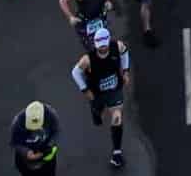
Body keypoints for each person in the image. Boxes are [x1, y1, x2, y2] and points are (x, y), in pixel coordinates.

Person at [72, 22, 132, 168]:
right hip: (97, 93)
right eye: (100, 46)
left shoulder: (117, 46)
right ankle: (96, 111)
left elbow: (124, 52)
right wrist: (86, 90)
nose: (103, 48)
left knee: (117, 117)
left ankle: (116, 153)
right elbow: (75, 72)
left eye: (105, 45)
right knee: (98, 115)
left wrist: (125, 71)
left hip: (114, 90)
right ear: (96, 45)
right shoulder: (88, 59)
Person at [10, 100, 61, 175]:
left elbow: (56, 132)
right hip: (25, 161)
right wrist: (26, 152)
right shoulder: (17, 122)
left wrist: (49, 147)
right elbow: (15, 142)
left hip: (46, 159)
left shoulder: (51, 115)